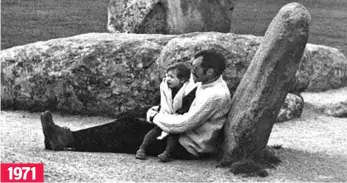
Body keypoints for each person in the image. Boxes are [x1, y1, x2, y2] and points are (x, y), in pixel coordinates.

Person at [40, 49, 231, 161]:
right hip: (178, 136)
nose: (192, 71)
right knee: (128, 124)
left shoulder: (214, 95)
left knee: (127, 135)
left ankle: (66, 139)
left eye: (196, 68)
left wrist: (154, 117)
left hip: (185, 147)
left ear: (210, 72)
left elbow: (183, 124)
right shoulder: (206, 84)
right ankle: (63, 138)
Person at [135, 62, 196, 162]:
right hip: (165, 116)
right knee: (155, 131)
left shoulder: (187, 92)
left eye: (171, 77)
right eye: (166, 76)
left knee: (174, 134)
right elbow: (163, 102)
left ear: (182, 80)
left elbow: (186, 107)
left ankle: (167, 153)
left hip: (177, 119)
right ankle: (142, 148)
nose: (167, 79)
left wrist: (177, 116)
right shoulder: (166, 89)